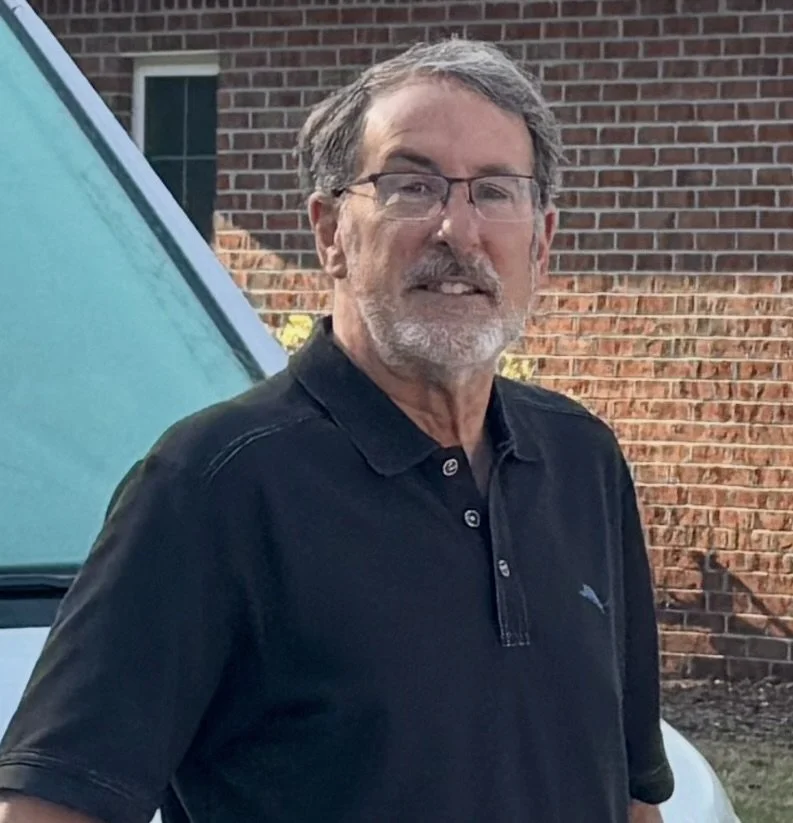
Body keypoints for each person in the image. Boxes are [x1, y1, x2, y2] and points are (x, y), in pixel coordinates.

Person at [0, 38, 673, 823]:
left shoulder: (580, 459)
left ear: (541, 241)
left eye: (494, 192)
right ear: (329, 232)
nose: (456, 229)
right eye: (411, 185)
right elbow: (48, 808)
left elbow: (630, 793)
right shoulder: (214, 484)